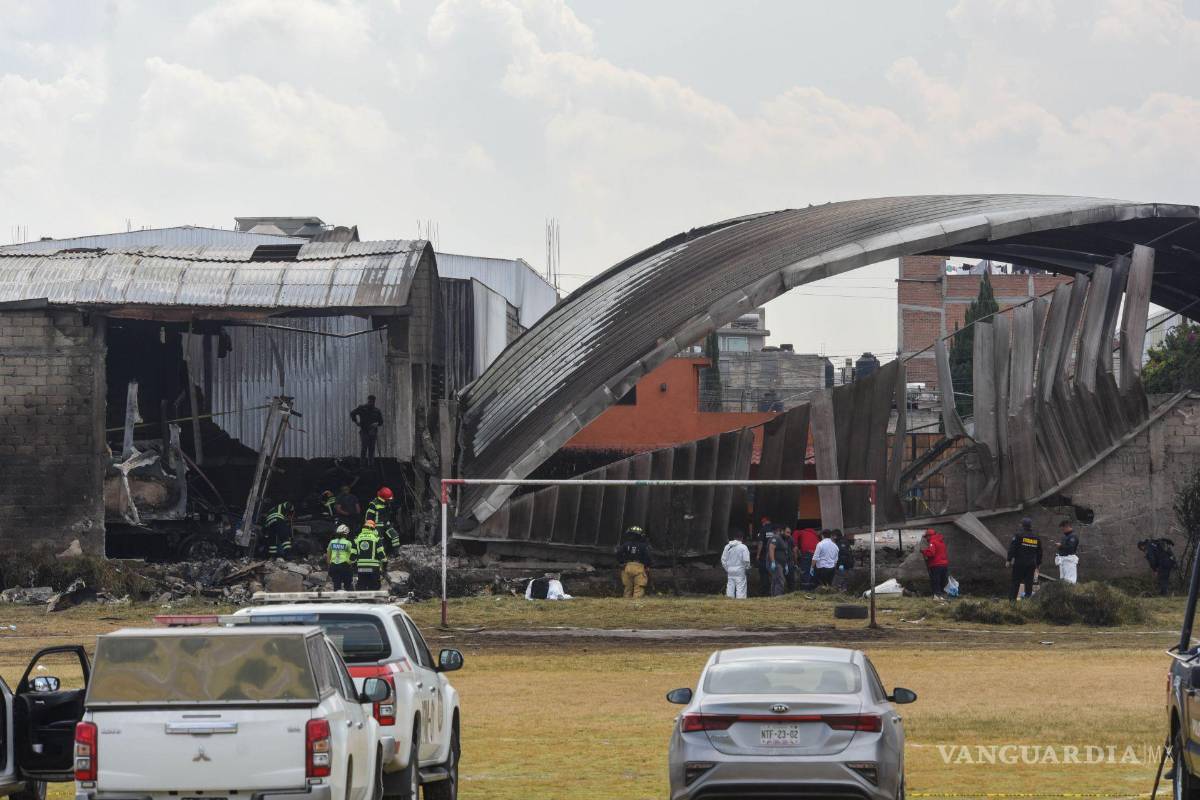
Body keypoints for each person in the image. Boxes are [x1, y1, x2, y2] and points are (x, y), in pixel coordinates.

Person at [1006, 517, 1043, 600]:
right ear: (1030, 526)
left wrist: (1009, 559)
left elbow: (1013, 548)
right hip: (1031, 564)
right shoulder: (1036, 537)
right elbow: (1039, 552)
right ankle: (1027, 601)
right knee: (1029, 583)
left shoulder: (1019, 535)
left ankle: (1012, 601)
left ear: (1022, 525)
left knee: (1015, 582)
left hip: (1019, 563)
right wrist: (1038, 563)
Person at [616, 526, 652, 599]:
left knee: (627, 588)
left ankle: (625, 602)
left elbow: (618, 553)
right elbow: (648, 557)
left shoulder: (626, 544)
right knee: (638, 588)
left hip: (628, 567)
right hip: (639, 567)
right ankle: (636, 603)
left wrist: (622, 562)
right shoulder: (644, 546)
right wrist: (647, 566)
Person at [350, 395, 384, 465]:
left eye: (372, 402)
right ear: (368, 400)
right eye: (369, 401)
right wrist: (356, 422)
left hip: (373, 432)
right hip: (364, 431)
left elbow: (381, 422)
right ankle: (362, 465)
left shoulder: (377, 411)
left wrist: (376, 424)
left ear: (374, 402)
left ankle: (370, 464)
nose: (371, 403)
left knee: (371, 449)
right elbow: (352, 413)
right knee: (364, 448)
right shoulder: (362, 408)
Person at [353, 519, 387, 590]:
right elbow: (381, 554)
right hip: (373, 567)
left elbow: (353, 555)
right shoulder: (376, 539)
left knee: (361, 587)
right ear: (373, 528)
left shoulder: (357, 538)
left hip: (361, 567)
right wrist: (385, 563)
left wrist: (351, 564)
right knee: (374, 587)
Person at [720, 530, 751, 599]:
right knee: (741, 587)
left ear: (734, 537)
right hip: (740, 570)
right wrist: (747, 568)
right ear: (742, 538)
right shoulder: (743, 547)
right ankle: (740, 601)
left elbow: (723, 560)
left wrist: (727, 569)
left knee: (730, 586)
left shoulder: (727, 546)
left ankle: (729, 600)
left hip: (730, 570)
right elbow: (746, 560)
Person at [920, 529, 950, 598]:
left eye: (926, 537)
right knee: (943, 580)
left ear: (929, 536)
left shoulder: (932, 542)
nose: (926, 539)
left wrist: (924, 551)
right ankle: (943, 594)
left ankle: (937, 595)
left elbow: (931, 553)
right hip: (944, 564)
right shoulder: (941, 541)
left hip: (936, 565)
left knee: (936, 580)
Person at [326, 524, 355, 591]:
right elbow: (352, 555)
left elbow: (328, 555)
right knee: (348, 585)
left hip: (334, 566)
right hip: (345, 566)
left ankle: (337, 597)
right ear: (346, 534)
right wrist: (351, 564)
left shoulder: (332, 542)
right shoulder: (348, 543)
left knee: (336, 586)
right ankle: (350, 597)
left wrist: (329, 566)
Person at [1055, 519, 1079, 585]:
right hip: (1063, 560)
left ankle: (1070, 591)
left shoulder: (1073, 536)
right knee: (1063, 581)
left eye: (1063, 529)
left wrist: (1061, 546)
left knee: (1070, 580)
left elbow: (1071, 548)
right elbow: (1064, 547)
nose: (1062, 531)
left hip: (1069, 561)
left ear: (1067, 526)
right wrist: (1060, 547)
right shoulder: (1065, 536)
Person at [753, 517, 773, 596]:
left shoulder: (763, 529)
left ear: (764, 522)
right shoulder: (774, 529)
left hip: (764, 555)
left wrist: (758, 555)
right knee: (772, 574)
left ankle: (764, 592)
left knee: (764, 574)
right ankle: (773, 591)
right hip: (774, 556)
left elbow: (760, 543)